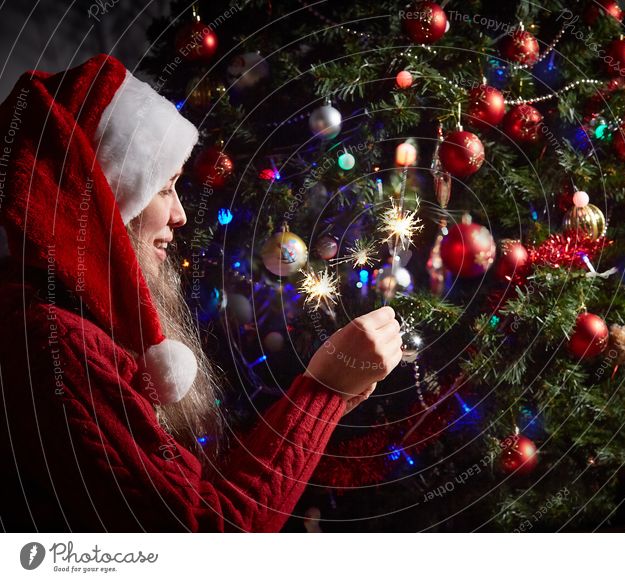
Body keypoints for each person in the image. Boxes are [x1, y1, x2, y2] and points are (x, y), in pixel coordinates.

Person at [0, 54, 402, 532]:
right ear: (105, 197)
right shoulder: (59, 346)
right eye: (164, 188)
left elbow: (194, 490)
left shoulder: (76, 323)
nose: (181, 216)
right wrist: (324, 390)